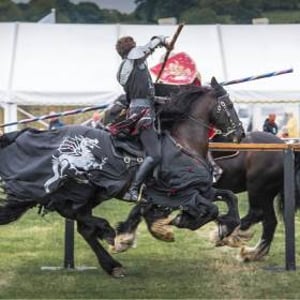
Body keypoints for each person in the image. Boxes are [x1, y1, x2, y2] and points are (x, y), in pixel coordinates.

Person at [115, 35, 170, 202]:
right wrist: (161, 40)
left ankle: (152, 183)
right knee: (154, 155)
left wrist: (162, 100)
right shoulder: (134, 60)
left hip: (139, 108)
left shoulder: (127, 67)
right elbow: (146, 49)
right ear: (132, 50)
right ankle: (132, 190)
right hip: (142, 112)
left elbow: (142, 94)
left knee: (151, 149)